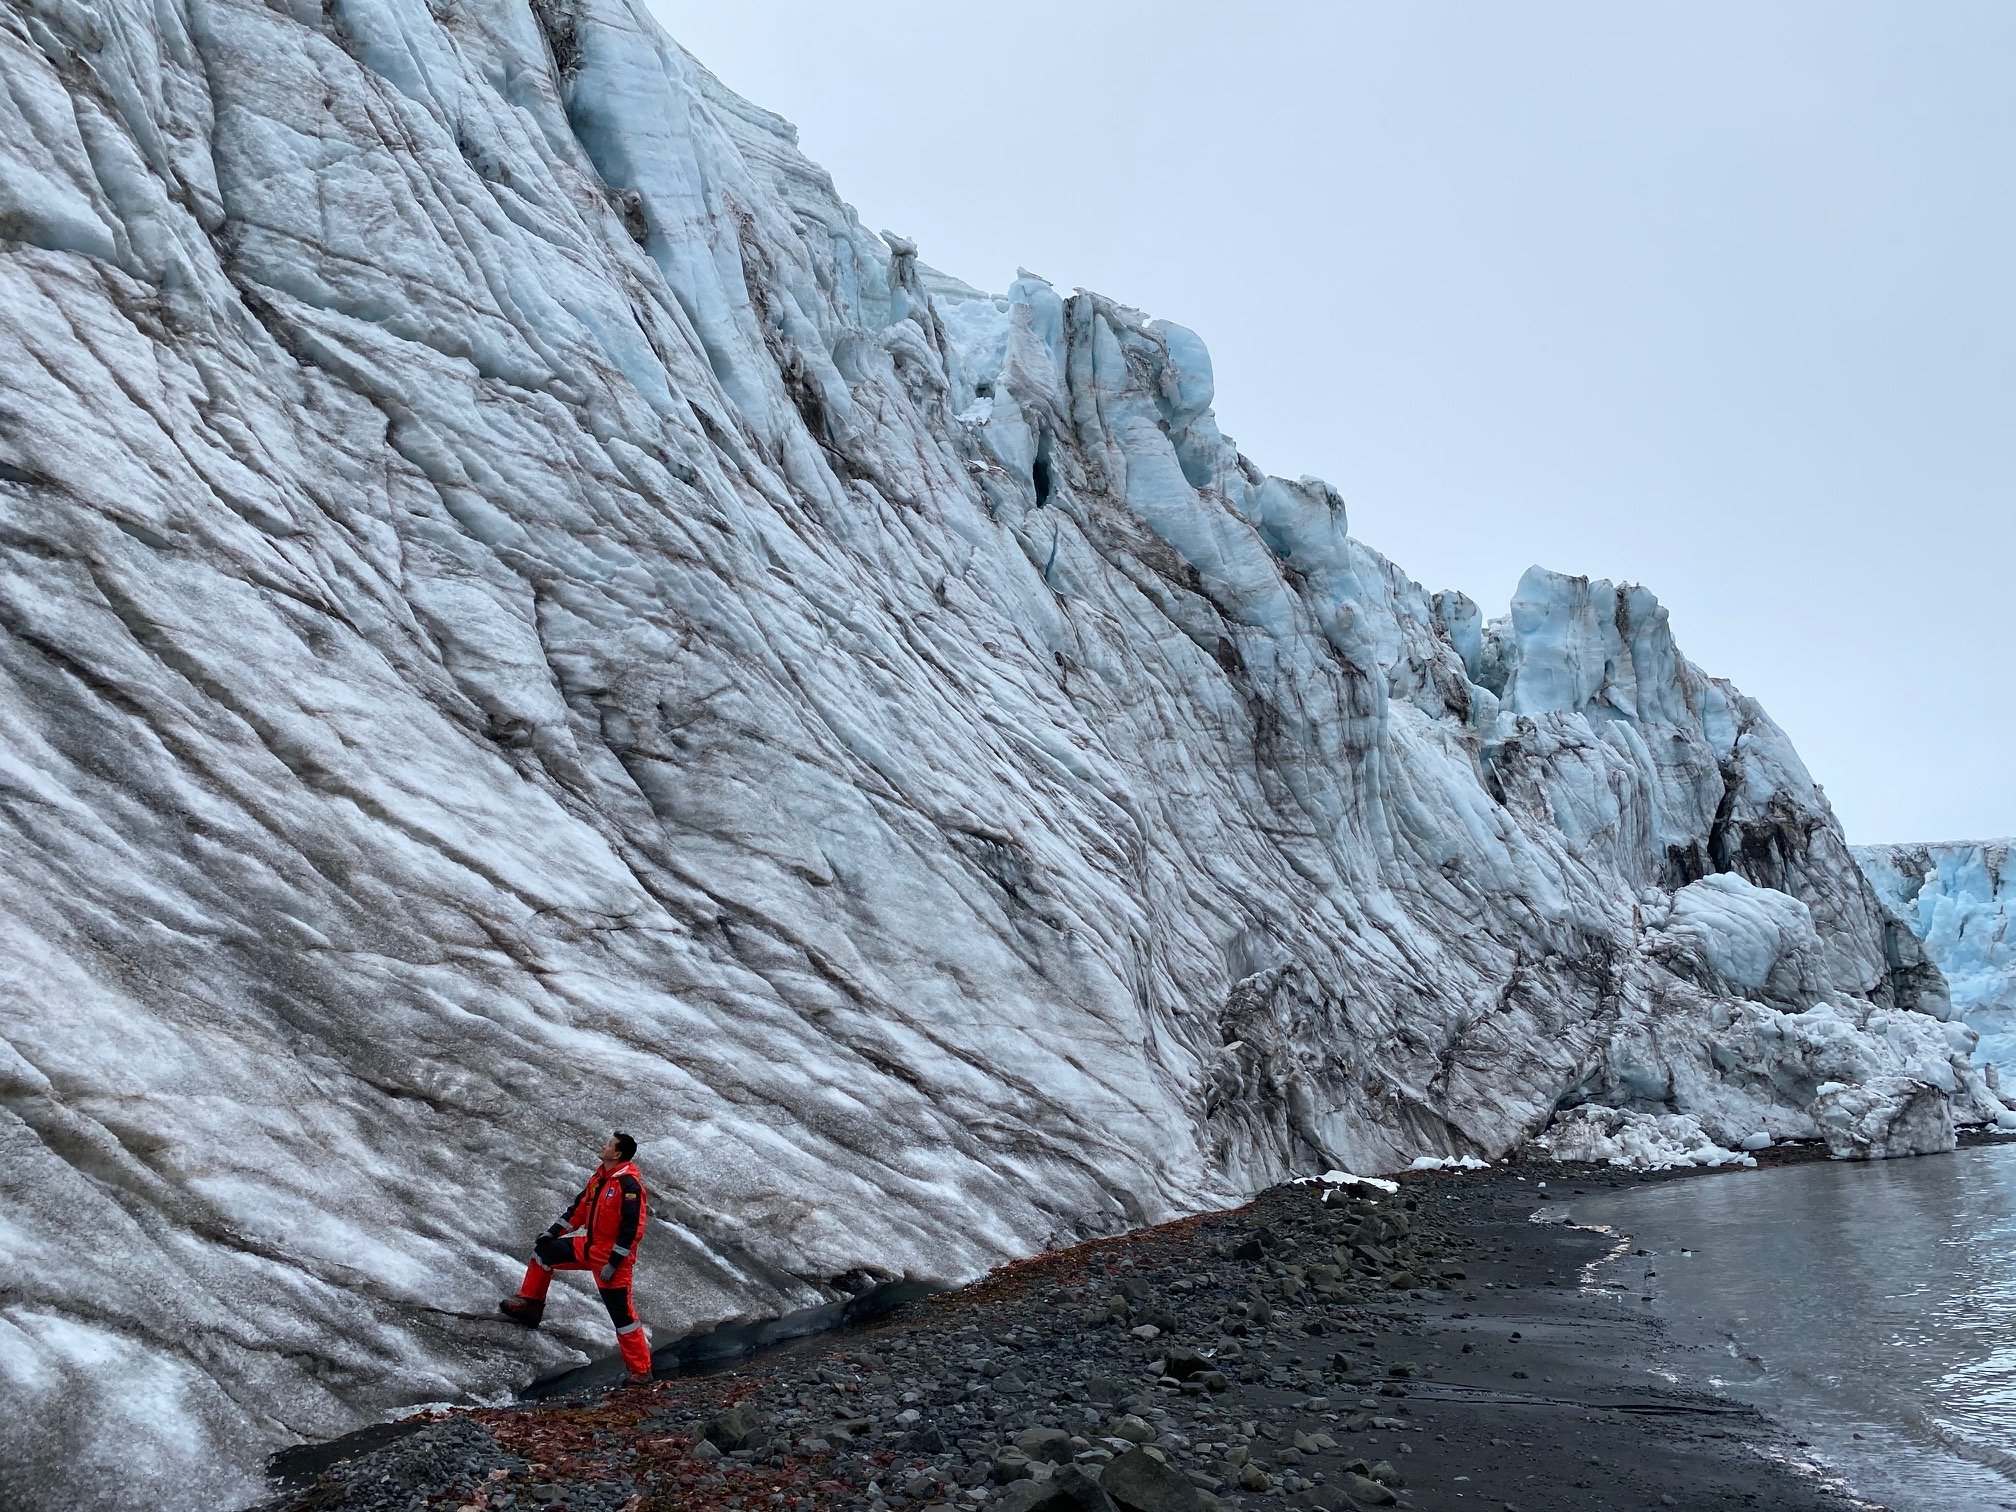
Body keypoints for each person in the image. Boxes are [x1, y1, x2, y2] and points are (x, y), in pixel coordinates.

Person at [500, 1131, 652, 1383]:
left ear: (618, 1154)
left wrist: (614, 1262)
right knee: (543, 1253)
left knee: (623, 1318)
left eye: (609, 1145)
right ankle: (530, 1305)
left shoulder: (629, 1186)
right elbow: (579, 1209)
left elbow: (632, 1230)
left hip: (610, 1260)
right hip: (589, 1248)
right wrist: (552, 1232)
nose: (604, 1146)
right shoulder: (600, 1178)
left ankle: (641, 1372)